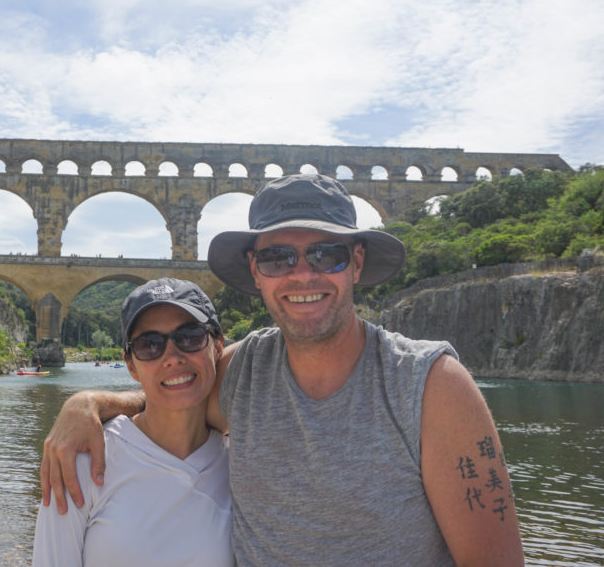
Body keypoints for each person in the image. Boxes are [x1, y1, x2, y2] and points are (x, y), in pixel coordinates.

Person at [41, 174, 524, 565]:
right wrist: (88, 403)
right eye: (277, 257)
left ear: (356, 261)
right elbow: (174, 388)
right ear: (256, 271)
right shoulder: (241, 373)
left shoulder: (431, 387)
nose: (302, 274)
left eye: (326, 253)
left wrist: (91, 402)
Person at [33, 278, 232, 566]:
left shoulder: (241, 466)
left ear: (217, 346)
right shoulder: (83, 462)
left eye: (190, 337)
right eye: (150, 345)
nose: (173, 357)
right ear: (130, 365)